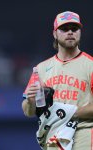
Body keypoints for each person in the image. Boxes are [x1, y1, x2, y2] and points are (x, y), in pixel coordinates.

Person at [22, 11, 93, 150]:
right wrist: (30, 101)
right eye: (65, 29)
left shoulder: (90, 65)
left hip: (83, 134)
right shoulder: (41, 69)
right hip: (53, 136)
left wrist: (68, 112)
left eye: (74, 28)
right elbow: (28, 111)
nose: (70, 32)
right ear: (55, 33)